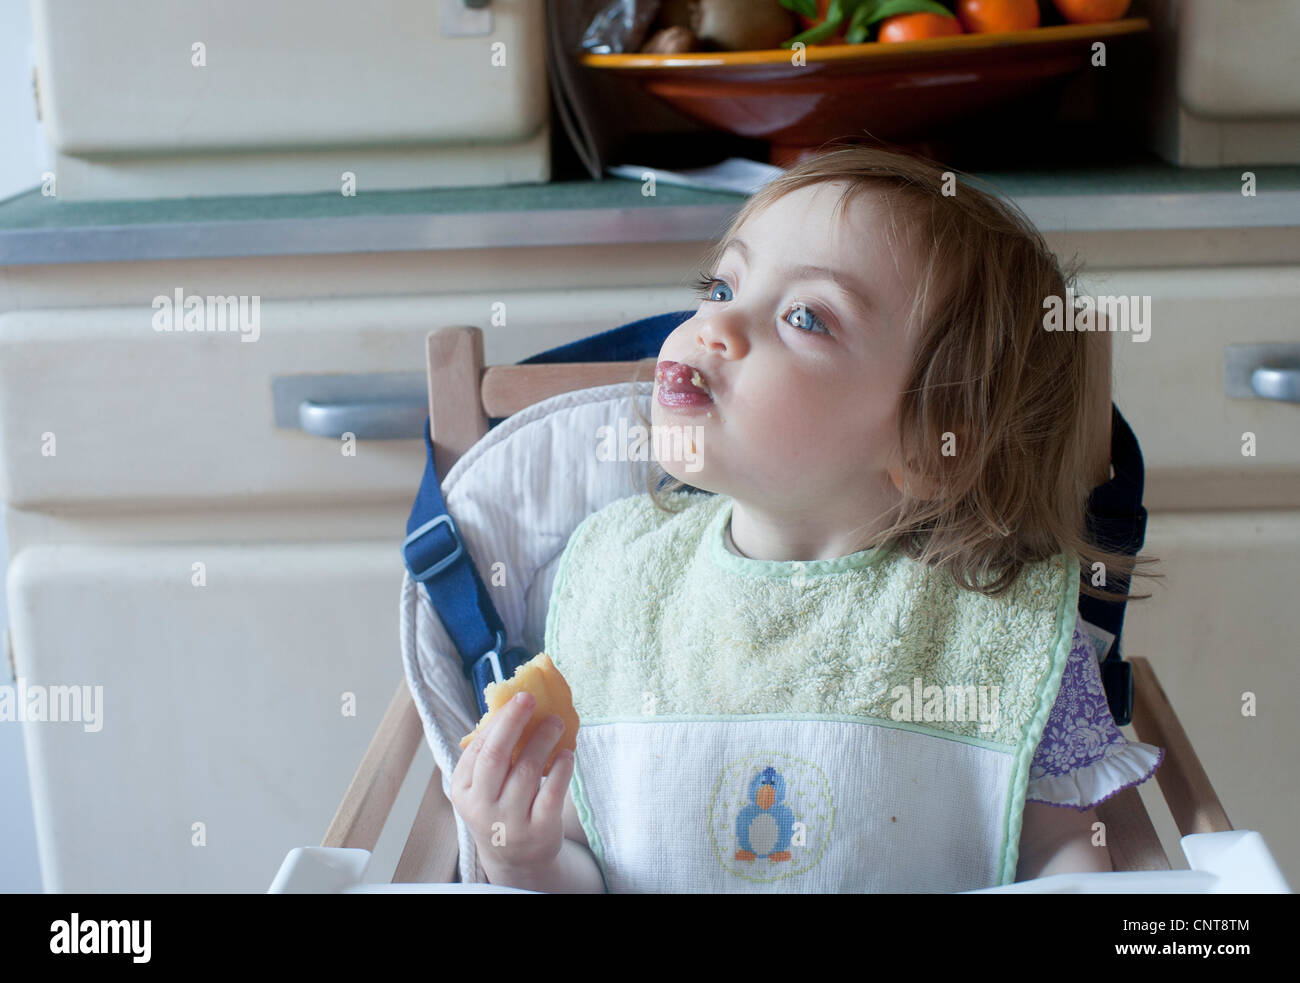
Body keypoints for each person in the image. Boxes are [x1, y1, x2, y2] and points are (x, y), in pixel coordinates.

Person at [450, 144, 1163, 893]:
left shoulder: (1003, 628)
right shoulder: (619, 583)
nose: (715, 324)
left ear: (930, 448)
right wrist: (519, 857)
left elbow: (1067, 859)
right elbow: (587, 862)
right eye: (721, 284)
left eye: (804, 316)